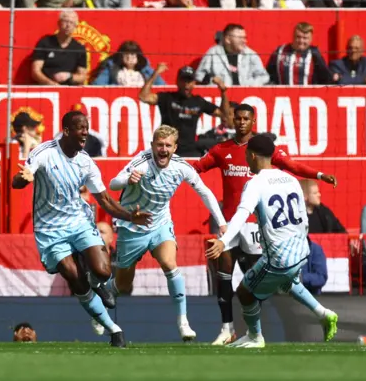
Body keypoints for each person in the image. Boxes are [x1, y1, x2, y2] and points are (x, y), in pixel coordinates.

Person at [193, 104, 338, 345]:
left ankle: (257, 335)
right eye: (237, 118)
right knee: (229, 277)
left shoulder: (260, 166)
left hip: (252, 228)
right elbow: (196, 168)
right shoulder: (224, 150)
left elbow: (245, 210)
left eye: (245, 118)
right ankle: (228, 329)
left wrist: (319, 175)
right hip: (248, 230)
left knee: (253, 287)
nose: (240, 122)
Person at [11, 110, 153, 348]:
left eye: (87, 127)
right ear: (67, 131)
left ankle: (97, 283)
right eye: (80, 127)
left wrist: (130, 216)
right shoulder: (43, 153)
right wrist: (23, 179)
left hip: (78, 222)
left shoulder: (86, 162)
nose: (85, 132)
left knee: (104, 272)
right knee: (73, 276)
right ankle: (113, 329)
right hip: (50, 229)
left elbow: (105, 201)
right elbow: (18, 180)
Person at [105, 125, 227, 341]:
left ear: (175, 148)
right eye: (159, 145)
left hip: (160, 224)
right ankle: (99, 303)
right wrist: (127, 179)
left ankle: (183, 322)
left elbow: (204, 192)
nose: (163, 149)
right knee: (122, 285)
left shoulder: (182, 167)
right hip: (132, 227)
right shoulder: (141, 162)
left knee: (170, 265)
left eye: (168, 145)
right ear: (152, 146)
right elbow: (113, 184)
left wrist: (221, 222)